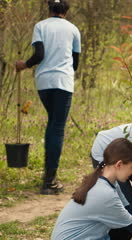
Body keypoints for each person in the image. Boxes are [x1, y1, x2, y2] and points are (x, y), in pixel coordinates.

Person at [15, 0, 81, 195]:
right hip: (63, 83)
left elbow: (39, 54)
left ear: (50, 9)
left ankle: (48, 177)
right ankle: (49, 181)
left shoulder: (40, 26)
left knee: (52, 123)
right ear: (66, 11)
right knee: (57, 126)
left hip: (43, 82)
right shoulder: (73, 29)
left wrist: (24, 65)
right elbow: (75, 63)